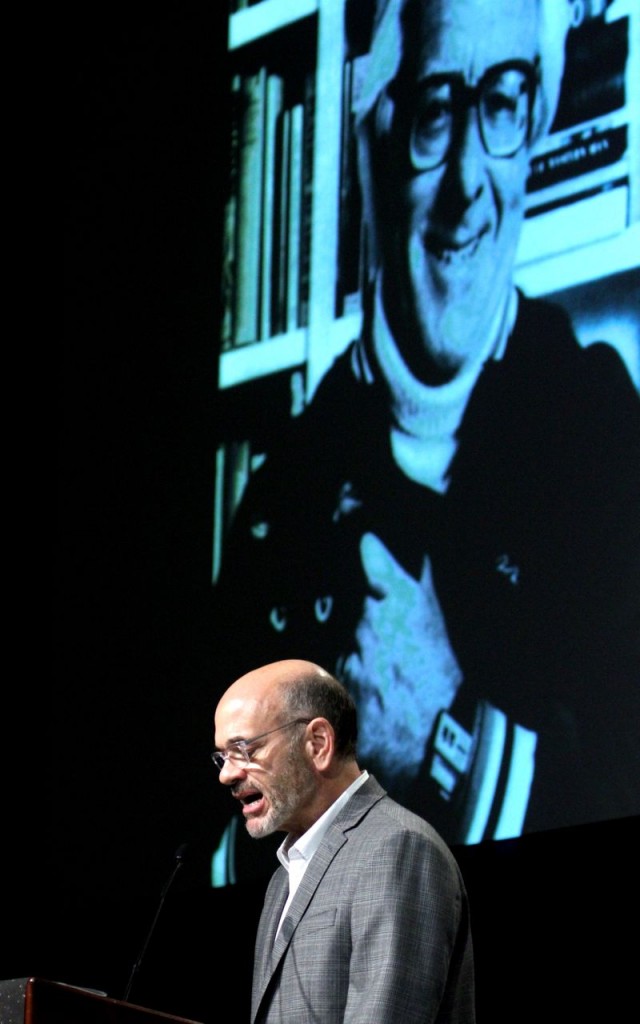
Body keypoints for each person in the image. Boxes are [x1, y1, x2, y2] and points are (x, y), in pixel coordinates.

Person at [214, 0, 640, 871]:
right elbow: (204, 851)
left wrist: (448, 731)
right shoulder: (281, 487)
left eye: (505, 102)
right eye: (436, 111)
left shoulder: (601, 429)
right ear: (372, 145)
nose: (467, 183)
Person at [213, 658, 476, 1024]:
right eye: (222, 756)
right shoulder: (281, 881)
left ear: (318, 743)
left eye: (244, 749)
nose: (227, 774)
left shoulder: (397, 848)